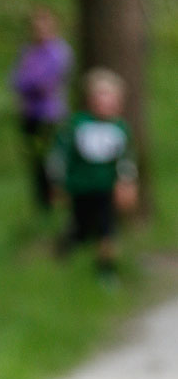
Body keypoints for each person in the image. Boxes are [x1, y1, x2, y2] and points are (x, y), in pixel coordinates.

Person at [51, 67, 138, 278]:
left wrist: (127, 183)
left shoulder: (120, 128)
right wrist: (57, 182)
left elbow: (125, 160)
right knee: (80, 227)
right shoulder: (76, 125)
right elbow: (60, 156)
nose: (105, 102)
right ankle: (64, 257)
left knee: (107, 229)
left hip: (106, 187)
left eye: (110, 97)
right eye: (100, 96)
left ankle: (106, 270)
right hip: (80, 187)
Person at [11, 6, 73, 211]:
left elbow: (45, 83)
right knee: (36, 160)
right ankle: (43, 206)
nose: (40, 30)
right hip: (30, 114)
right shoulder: (28, 51)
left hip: (51, 114)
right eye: (36, 26)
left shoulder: (59, 52)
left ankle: (59, 202)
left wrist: (31, 82)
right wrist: (30, 83)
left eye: (44, 25)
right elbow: (16, 81)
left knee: (54, 161)